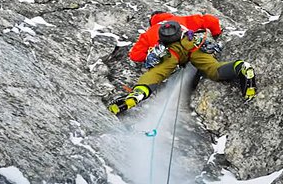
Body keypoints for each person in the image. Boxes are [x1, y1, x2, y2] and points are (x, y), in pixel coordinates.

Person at [107, 11, 256, 115]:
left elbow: (135, 56)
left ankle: (136, 96)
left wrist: (149, 52)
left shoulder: (149, 32)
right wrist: (216, 34)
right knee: (213, 69)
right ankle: (240, 67)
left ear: (153, 21)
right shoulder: (183, 20)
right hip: (193, 45)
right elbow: (211, 20)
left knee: (154, 75)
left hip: (170, 54)